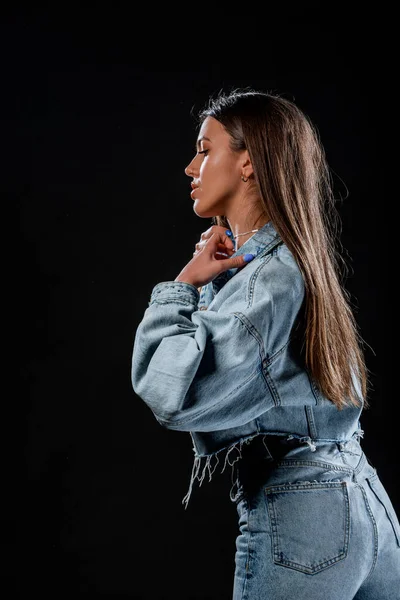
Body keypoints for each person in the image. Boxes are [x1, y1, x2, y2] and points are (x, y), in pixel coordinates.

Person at [130, 89, 400, 599]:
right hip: (365, 506)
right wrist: (214, 285)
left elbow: (173, 391)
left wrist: (183, 287)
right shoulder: (294, 263)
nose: (191, 167)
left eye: (205, 149)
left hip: (309, 523)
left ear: (248, 161)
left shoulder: (268, 281)